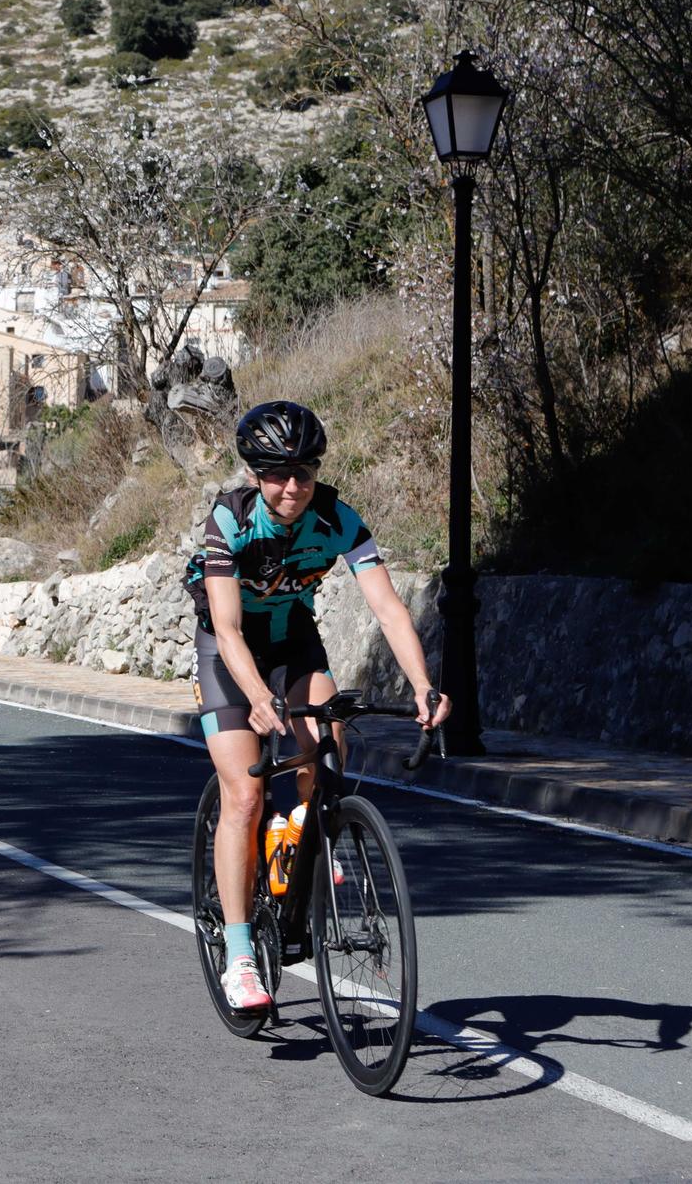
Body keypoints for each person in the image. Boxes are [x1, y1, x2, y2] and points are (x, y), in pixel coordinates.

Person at [184, 400, 449, 1011]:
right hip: (229, 651)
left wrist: (422, 685)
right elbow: (225, 627)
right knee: (245, 795)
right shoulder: (231, 518)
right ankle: (242, 954)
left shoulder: (336, 516)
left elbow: (387, 608)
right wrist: (255, 696)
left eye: (304, 471)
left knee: (328, 745)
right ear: (255, 474)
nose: (293, 486)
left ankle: (303, 836)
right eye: (278, 473)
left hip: (295, 639)